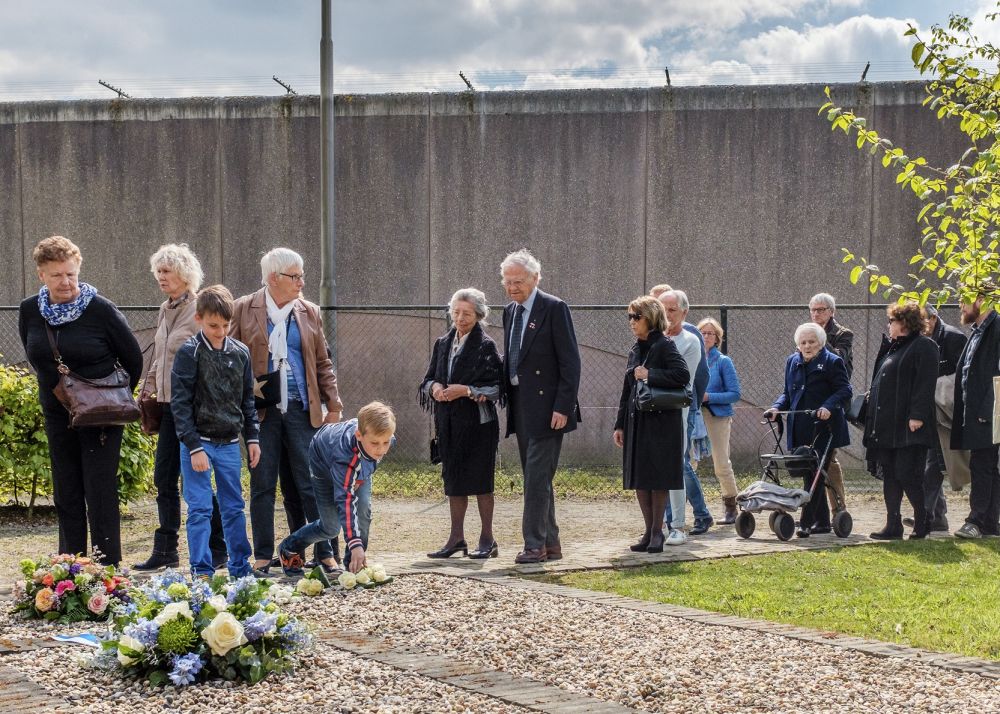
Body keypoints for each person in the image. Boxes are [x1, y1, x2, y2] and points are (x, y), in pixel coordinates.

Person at [18, 236, 143, 566]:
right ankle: (71, 569)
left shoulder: (100, 309)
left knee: (99, 493)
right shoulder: (30, 310)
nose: (66, 282)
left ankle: (106, 571)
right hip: (58, 414)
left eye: (71, 274)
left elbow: (132, 359)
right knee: (67, 493)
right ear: (41, 274)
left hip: (100, 414)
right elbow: (36, 355)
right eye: (57, 275)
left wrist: (107, 396)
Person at [231, 247, 344, 573]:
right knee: (263, 484)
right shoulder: (243, 309)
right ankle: (264, 555)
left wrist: (333, 404)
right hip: (261, 412)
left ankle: (325, 553)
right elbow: (234, 360)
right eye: (295, 276)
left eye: (301, 275)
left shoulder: (309, 311)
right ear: (273, 278)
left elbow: (323, 362)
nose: (301, 282)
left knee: (313, 484)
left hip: (301, 408)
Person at [134, 244, 229, 571]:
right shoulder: (165, 308)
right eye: (158, 271)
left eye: (167, 271)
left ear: (184, 274)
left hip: (193, 408)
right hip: (168, 405)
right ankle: (166, 551)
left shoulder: (199, 308)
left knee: (196, 480)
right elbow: (162, 356)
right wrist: (148, 387)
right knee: (164, 478)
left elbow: (212, 353)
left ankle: (219, 548)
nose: (161, 276)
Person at [171, 286, 262, 579]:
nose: (220, 331)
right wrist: (194, 446)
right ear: (199, 319)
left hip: (229, 445)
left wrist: (253, 438)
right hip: (198, 444)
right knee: (199, 510)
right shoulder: (189, 353)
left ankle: (240, 567)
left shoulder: (241, 352)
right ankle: (201, 571)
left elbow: (247, 399)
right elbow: (180, 404)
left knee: (233, 507)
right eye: (213, 325)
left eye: (225, 325)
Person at [501, 249, 581, 564]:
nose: (512, 287)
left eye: (518, 281)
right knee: (537, 477)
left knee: (535, 477)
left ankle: (534, 545)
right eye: (507, 282)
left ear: (536, 278)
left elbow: (571, 362)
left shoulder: (554, 308)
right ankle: (552, 543)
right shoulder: (510, 311)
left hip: (549, 409)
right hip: (521, 406)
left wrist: (563, 406)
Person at [420, 288, 502, 559]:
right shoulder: (442, 343)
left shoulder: (486, 346)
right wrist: (435, 389)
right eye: (456, 312)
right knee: (453, 479)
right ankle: (456, 539)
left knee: (480, 480)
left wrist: (465, 390)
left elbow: (496, 387)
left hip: (479, 425)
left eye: (466, 313)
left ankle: (487, 539)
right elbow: (428, 378)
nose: (460, 317)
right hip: (449, 424)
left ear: (478, 315)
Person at [278, 402, 396, 575]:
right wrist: (348, 481)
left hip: (354, 466)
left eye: (385, 442)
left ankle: (354, 564)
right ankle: (288, 548)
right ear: (359, 435)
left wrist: (359, 479)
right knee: (331, 527)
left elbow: (376, 452)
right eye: (375, 443)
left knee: (363, 510)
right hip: (322, 464)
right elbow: (345, 500)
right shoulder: (344, 458)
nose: (381, 449)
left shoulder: (383, 439)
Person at [613, 296, 690, 552]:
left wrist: (651, 375)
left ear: (651, 318)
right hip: (637, 421)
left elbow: (682, 375)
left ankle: (658, 532)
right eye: (630, 317)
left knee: (658, 477)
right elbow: (626, 389)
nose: (632, 322)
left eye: (637, 317)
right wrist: (619, 424)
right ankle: (648, 531)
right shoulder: (635, 349)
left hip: (661, 422)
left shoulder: (665, 345)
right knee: (641, 477)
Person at [764, 322, 852, 537]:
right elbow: (787, 393)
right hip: (799, 426)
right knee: (808, 472)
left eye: (811, 342)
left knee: (814, 474)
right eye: (803, 342)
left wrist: (828, 407)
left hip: (825, 428)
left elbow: (845, 389)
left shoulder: (832, 362)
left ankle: (805, 521)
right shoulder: (792, 362)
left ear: (821, 343)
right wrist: (776, 408)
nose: (807, 345)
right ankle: (822, 522)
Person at [864, 302, 939, 539]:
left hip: (909, 425)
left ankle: (923, 520)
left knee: (907, 473)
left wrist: (917, 415)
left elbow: (925, 384)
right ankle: (893, 524)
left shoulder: (924, 346)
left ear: (904, 323)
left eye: (892, 321)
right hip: (887, 425)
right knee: (890, 473)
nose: (889, 325)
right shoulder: (893, 348)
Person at [903, 305, 968, 533]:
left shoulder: (953, 337)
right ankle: (937, 517)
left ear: (933, 317)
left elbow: (962, 375)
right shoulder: (921, 338)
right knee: (931, 461)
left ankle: (926, 513)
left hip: (945, 411)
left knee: (933, 463)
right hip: (929, 410)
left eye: (922, 321)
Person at [659, 290, 714, 536]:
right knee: (668, 464)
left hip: (684, 405)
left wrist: (692, 401)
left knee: (679, 463)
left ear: (683, 311)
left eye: (671, 309)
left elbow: (700, 374)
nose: (666, 315)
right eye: (661, 309)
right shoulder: (652, 335)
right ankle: (668, 520)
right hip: (656, 409)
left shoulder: (690, 336)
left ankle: (694, 516)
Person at [951, 295, 1000, 539]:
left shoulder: (996, 328)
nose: (960, 305)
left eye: (964, 300)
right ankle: (990, 523)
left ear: (980, 300)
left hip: (988, 413)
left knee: (982, 465)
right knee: (987, 465)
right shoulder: (979, 331)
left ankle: (976, 521)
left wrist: (985, 410)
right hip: (978, 412)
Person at [808, 292, 853, 531]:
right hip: (811, 407)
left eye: (821, 310)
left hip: (833, 406)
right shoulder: (806, 335)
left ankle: (838, 511)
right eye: (813, 310)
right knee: (812, 460)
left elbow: (841, 361)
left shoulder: (843, 334)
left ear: (831, 312)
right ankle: (817, 515)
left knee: (827, 459)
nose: (816, 314)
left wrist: (820, 340)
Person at [697, 317, 742, 524]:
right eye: (702, 333)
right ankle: (693, 510)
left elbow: (734, 394)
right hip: (694, 415)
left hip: (717, 416)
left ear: (717, 338)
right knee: (689, 462)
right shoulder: (691, 358)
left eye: (710, 333)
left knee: (721, 463)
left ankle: (731, 507)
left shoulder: (723, 361)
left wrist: (710, 397)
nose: (706, 337)